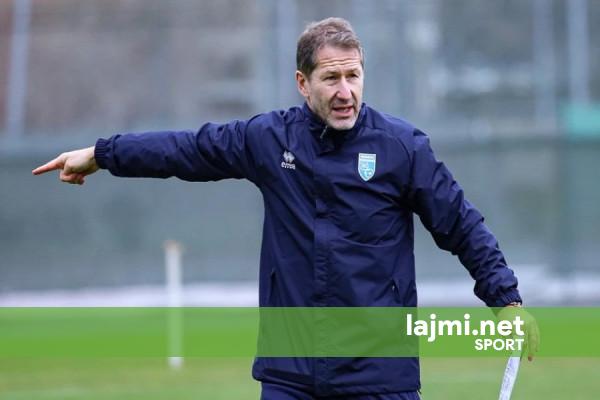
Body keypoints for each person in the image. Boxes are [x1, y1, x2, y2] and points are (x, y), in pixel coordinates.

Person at [33, 17, 538, 400]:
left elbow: (460, 224)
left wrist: (506, 301)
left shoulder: (402, 148)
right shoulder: (270, 139)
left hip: (379, 374)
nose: (345, 92)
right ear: (303, 83)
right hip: (291, 375)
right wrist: (103, 154)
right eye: (331, 78)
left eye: (354, 76)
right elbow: (188, 150)